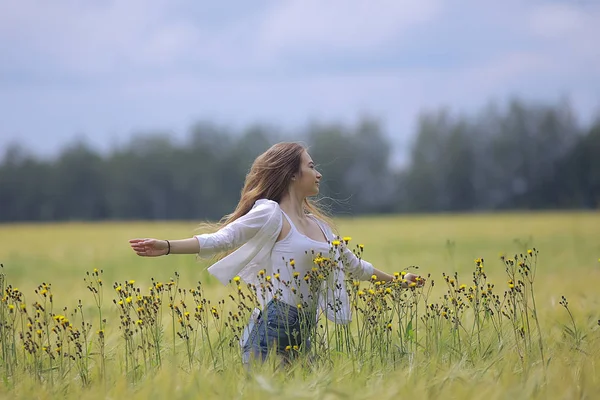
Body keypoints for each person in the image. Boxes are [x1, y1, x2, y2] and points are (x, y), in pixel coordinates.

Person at [129, 142, 424, 366]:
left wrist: (399, 281)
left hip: (303, 337)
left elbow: (356, 267)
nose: (318, 173)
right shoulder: (271, 215)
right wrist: (167, 246)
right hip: (267, 336)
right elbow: (224, 238)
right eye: (311, 166)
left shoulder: (323, 229)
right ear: (293, 174)